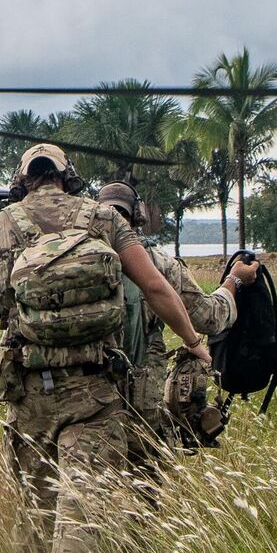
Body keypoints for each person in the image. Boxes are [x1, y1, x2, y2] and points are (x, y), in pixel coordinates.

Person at [0, 144, 211, 553]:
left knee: (38, 508)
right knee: (82, 508)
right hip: (96, 392)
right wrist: (192, 340)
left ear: (21, 181)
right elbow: (155, 287)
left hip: (29, 394)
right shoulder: (104, 220)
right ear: (69, 177)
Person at [92, 181, 255, 426]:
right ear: (138, 216)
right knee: (146, 459)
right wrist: (234, 279)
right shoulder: (158, 263)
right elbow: (210, 317)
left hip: (87, 395)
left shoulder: (79, 264)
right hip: (140, 398)